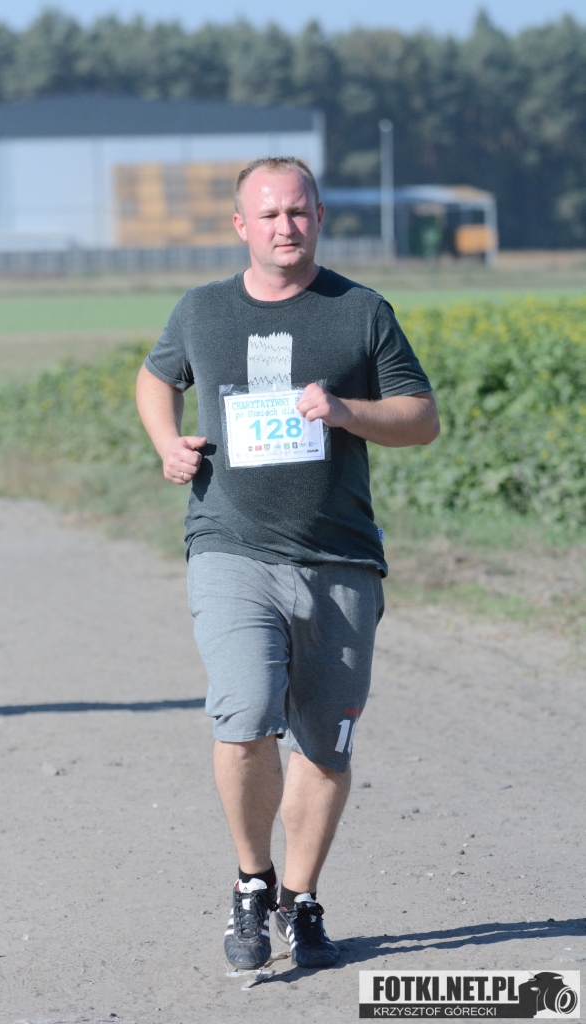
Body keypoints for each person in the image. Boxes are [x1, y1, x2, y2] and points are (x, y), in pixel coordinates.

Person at [136, 156, 439, 971]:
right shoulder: (202, 310)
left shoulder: (359, 311)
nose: (285, 226)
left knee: (324, 746)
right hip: (229, 545)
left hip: (340, 558)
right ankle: (251, 881)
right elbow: (155, 378)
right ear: (241, 225)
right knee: (243, 718)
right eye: (268, 214)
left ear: (319, 216)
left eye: (298, 211)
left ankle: (300, 899)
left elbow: (420, 418)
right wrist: (167, 444)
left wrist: (345, 410)